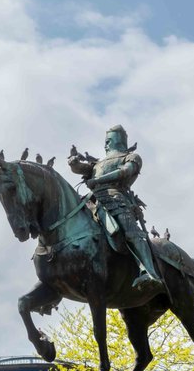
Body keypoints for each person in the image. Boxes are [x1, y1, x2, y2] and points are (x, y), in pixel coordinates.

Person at [68, 124, 164, 298]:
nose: (106, 144)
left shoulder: (131, 157)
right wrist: (74, 164)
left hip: (117, 199)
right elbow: (81, 169)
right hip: (91, 201)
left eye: (109, 140)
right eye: (105, 141)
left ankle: (149, 272)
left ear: (119, 139)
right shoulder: (98, 163)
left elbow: (125, 172)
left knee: (131, 233)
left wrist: (98, 181)